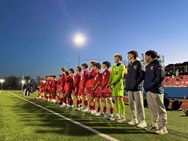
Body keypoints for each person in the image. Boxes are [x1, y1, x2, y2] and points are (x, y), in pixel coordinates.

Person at [144, 50, 168, 134]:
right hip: (149, 90)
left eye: (146, 56)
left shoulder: (158, 63)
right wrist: (146, 87)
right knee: (152, 109)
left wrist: (149, 86)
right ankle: (154, 125)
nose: (145, 58)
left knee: (160, 109)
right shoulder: (148, 65)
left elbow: (160, 77)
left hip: (157, 90)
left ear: (149, 55)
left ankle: (163, 128)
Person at [126, 50, 147, 128]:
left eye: (129, 55)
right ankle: (134, 119)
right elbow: (128, 76)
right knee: (131, 105)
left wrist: (135, 84)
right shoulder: (129, 64)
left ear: (133, 55)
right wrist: (128, 85)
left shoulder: (139, 63)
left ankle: (143, 121)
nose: (128, 56)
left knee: (139, 105)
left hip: (137, 88)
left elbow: (142, 75)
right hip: (130, 88)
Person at [108, 54, 126, 123]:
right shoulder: (113, 67)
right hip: (114, 86)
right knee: (115, 101)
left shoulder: (122, 66)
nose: (114, 59)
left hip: (119, 85)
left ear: (119, 59)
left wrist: (111, 83)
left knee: (120, 100)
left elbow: (120, 76)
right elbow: (111, 76)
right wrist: (108, 83)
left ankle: (123, 116)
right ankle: (118, 115)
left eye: (116, 58)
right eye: (114, 58)